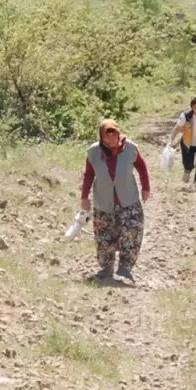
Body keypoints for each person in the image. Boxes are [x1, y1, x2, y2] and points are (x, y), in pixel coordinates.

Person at [80, 119, 151, 281]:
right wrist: (84, 197)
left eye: (114, 135)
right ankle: (106, 268)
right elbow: (88, 175)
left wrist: (145, 188)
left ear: (119, 134)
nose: (112, 140)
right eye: (107, 136)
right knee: (104, 235)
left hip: (128, 199)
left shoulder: (130, 148)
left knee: (133, 230)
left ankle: (125, 266)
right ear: (102, 137)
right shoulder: (93, 152)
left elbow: (141, 166)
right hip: (103, 201)